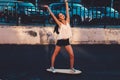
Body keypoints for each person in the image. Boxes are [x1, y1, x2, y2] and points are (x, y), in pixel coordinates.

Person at [43, 0, 76, 73]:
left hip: (67, 41)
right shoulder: (59, 24)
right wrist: (48, 8)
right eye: (60, 15)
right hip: (60, 41)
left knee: (72, 55)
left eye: (62, 14)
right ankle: (52, 67)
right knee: (55, 54)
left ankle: (71, 68)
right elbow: (53, 15)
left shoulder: (67, 21)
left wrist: (66, 3)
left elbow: (67, 11)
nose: (62, 15)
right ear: (59, 18)